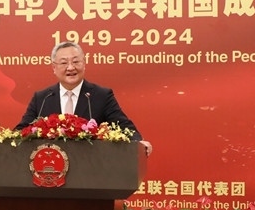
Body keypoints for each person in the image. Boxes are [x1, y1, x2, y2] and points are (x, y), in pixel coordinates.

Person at [15, 41, 152, 155]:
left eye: (76, 61)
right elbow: (21, 131)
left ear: (84, 64)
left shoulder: (101, 95)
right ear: (54, 67)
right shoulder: (42, 98)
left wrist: (138, 143)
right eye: (64, 63)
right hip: (50, 171)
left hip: (91, 169)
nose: (70, 67)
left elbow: (125, 127)